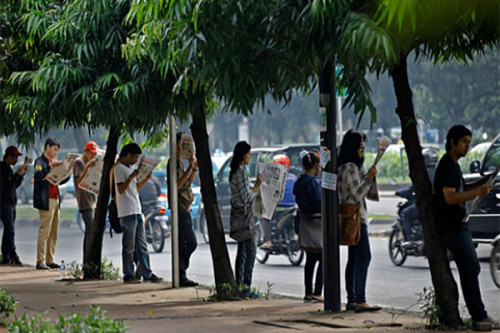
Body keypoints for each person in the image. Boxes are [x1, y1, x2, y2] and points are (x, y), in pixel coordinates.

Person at [434, 125, 496, 330]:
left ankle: (478, 313)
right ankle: (479, 315)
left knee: (471, 268)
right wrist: (477, 192)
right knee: (470, 268)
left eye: (469, 143)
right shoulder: (447, 167)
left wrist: (481, 183)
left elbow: (461, 188)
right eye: (464, 143)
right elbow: (450, 197)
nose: (467, 147)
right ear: (452, 142)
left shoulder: (453, 165)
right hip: (452, 228)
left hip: (458, 225)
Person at [337, 130, 381, 313]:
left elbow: (370, 194)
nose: (362, 150)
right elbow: (358, 194)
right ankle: (359, 299)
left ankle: (353, 299)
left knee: (354, 258)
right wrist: (369, 178)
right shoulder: (349, 168)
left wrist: (370, 177)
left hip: (353, 217)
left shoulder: (350, 167)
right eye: (360, 146)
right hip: (355, 218)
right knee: (364, 256)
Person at [114, 143, 162, 284]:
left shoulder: (130, 169)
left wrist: (145, 179)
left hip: (136, 209)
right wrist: (131, 177)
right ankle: (128, 274)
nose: (135, 161)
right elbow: (121, 189)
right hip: (127, 211)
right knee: (129, 246)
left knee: (142, 245)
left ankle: (147, 272)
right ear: (127, 155)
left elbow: (135, 189)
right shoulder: (119, 169)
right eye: (134, 157)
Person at [229, 141, 262, 291]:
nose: (249, 157)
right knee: (250, 252)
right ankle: (246, 286)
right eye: (248, 154)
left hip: (241, 215)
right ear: (243, 155)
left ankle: (241, 284)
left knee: (242, 252)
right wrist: (258, 185)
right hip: (244, 217)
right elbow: (246, 197)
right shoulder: (240, 172)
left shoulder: (237, 171)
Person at [167, 132, 199, 287]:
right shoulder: (173, 163)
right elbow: (177, 186)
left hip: (186, 208)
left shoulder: (180, 163)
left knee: (186, 243)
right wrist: (188, 171)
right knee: (190, 243)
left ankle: (181, 272)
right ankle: (180, 272)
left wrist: (192, 169)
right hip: (179, 209)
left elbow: (187, 183)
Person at [34, 137, 69, 270]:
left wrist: (66, 171)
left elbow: (59, 181)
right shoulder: (40, 161)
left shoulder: (52, 162)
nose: (55, 153)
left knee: (54, 231)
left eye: (57, 150)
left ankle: (50, 259)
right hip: (45, 199)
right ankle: (40, 260)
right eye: (54, 149)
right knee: (45, 231)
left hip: (56, 199)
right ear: (48, 147)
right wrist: (50, 167)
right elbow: (39, 176)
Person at [293, 152, 323, 303]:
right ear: (316, 166)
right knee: (324, 259)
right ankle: (318, 292)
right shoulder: (314, 183)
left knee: (310, 260)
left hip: (305, 224)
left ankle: (308, 292)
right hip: (317, 225)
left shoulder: (299, 182)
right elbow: (319, 202)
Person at [400, 148, 438, 242]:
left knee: (405, 213)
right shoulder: (439, 172)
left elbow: (413, 188)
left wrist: (400, 192)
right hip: (437, 206)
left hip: (424, 205)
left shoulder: (423, 173)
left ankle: (409, 241)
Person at [261, 154, 297, 249]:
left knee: (264, 217)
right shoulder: (293, 177)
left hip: (279, 208)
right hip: (292, 207)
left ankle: (268, 241)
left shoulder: (272, 178)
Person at [0, 146, 28, 266]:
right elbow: (7, 186)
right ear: (9, 156)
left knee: (8, 231)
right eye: (15, 157)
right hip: (4, 204)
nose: (16, 160)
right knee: (10, 230)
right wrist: (17, 175)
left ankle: (6, 256)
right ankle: (13, 254)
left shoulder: (9, 169)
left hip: (11, 203)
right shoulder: (2, 169)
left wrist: (20, 175)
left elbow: (14, 186)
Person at [73, 141, 98, 268]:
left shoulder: (90, 162)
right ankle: (87, 262)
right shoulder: (79, 162)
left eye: (94, 154)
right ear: (85, 151)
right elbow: (79, 181)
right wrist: (88, 167)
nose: (91, 156)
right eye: (90, 153)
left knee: (91, 231)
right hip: (84, 202)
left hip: (92, 199)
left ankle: (90, 262)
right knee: (90, 231)